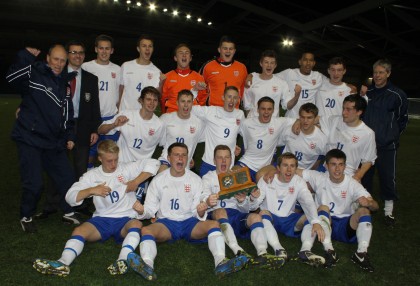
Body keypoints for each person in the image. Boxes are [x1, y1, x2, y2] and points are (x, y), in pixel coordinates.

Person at [32, 140, 160, 278]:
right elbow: (70, 197)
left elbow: (154, 163)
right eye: (109, 161)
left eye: (116, 160)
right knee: (79, 230)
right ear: (100, 158)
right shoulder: (92, 176)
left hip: (125, 219)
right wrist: (92, 190)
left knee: (137, 224)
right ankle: (62, 263)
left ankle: (122, 260)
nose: (113, 164)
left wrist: (135, 182)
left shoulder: (126, 168)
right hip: (102, 219)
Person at [127, 143, 249, 279]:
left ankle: (221, 263)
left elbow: (198, 210)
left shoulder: (195, 180)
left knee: (214, 225)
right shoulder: (158, 180)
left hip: (190, 222)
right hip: (167, 223)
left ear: (187, 158)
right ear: (168, 158)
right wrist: (142, 210)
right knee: (146, 230)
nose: (180, 158)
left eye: (184, 155)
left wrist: (202, 210)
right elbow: (150, 209)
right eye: (176, 155)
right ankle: (147, 266)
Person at [6, 45, 76, 233]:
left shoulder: (65, 83)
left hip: (52, 141)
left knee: (67, 178)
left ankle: (68, 212)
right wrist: (25, 57)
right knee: (34, 184)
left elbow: (67, 112)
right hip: (29, 137)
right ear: (48, 58)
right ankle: (26, 215)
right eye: (56, 59)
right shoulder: (35, 72)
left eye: (63, 60)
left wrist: (69, 135)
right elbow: (12, 78)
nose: (59, 64)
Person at [35, 40, 101, 222]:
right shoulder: (55, 74)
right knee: (55, 166)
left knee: (80, 169)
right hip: (58, 127)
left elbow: (95, 106)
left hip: (83, 128)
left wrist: (94, 129)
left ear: (84, 55)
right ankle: (51, 205)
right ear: (67, 55)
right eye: (73, 52)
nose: (77, 56)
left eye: (80, 52)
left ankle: (77, 205)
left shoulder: (90, 78)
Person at [202, 145, 285, 269]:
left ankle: (262, 253)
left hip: (235, 216)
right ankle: (238, 251)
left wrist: (244, 200)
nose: (223, 161)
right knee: (220, 211)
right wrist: (209, 200)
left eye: (227, 157)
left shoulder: (239, 177)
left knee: (256, 217)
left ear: (232, 159)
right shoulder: (208, 178)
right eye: (220, 158)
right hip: (216, 218)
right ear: (214, 161)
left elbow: (246, 209)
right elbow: (203, 200)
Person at [298, 149, 379, 272]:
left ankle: (361, 253)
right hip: (324, 223)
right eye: (333, 164)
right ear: (326, 165)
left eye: (341, 164)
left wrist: (369, 203)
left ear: (345, 166)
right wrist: (272, 172)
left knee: (364, 211)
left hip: (346, 226)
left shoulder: (352, 184)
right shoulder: (318, 177)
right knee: (323, 207)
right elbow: (292, 170)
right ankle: (330, 251)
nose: (337, 169)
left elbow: (376, 207)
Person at [249, 152, 326, 267]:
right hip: (270, 219)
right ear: (278, 168)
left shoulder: (298, 182)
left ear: (296, 168)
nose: (289, 169)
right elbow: (253, 207)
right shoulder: (267, 180)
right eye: (285, 165)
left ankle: (305, 251)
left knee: (310, 218)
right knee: (263, 213)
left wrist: (315, 222)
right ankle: (278, 249)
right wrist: (253, 198)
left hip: (289, 219)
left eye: (292, 166)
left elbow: (308, 201)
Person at [360, 59, 409, 227]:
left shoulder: (397, 94)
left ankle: (388, 212)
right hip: (366, 146)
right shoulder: (367, 92)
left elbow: (403, 119)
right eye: (375, 72)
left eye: (381, 72)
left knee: (387, 178)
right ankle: (364, 208)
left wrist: (392, 136)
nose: (377, 76)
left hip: (387, 146)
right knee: (365, 177)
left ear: (388, 73)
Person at [98, 86, 165, 202]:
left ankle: (143, 189)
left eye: (155, 100)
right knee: (112, 202)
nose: (152, 103)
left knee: (134, 207)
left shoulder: (159, 124)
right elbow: (100, 130)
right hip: (120, 166)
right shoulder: (126, 115)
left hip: (141, 171)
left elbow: (165, 145)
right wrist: (114, 125)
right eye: (148, 99)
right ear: (141, 100)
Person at [82, 34, 122, 169]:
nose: (104, 52)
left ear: (112, 50)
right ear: (96, 49)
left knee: (110, 157)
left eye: (107, 48)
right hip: (92, 119)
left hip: (110, 118)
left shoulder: (117, 69)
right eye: (101, 48)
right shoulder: (86, 67)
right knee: (89, 155)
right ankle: (89, 181)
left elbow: (120, 94)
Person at [318, 94, 376, 181]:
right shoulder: (335, 120)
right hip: (325, 169)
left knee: (364, 195)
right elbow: (315, 119)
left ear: (359, 112)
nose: (343, 113)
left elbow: (368, 160)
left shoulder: (367, 133)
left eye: (348, 109)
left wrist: (358, 176)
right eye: (343, 108)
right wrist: (298, 121)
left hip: (347, 175)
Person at [237, 96, 295, 182]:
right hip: (246, 162)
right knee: (235, 175)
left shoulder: (279, 122)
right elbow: (232, 131)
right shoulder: (247, 123)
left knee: (261, 178)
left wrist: (297, 123)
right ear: (258, 110)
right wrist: (234, 145)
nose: (266, 112)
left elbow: (300, 120)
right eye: (263, 109)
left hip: (265, 166)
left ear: (273, 110)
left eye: (269, 109)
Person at [191, 86, 245, 177]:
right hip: (209, 162)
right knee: (205, 190)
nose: (232, 100)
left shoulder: (240, 114)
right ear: (223, 97)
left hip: (227, 166)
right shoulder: (211, 111)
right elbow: (190, 107)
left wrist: (235, 145)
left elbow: (241, 132)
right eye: (229, 96)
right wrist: (194, 90)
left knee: (226, 191)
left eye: (235, 98)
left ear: (238, 100)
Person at [158, 89, 204, 172]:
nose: (186, 105)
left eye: (189, 101)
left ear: (192, 103)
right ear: (177, 103)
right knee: (162, 176)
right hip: (167, 161)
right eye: (183, 101)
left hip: (185, 164)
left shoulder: (199, 123)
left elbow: (213, 135)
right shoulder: (165, 119)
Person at [200, 35, 248, 107]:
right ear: (219, 49)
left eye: (231, 49)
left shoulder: (242, 68)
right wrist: (203, 106)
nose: (228, 51)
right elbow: (199, 87)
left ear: (234, 51)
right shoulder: (208, 66)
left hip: (234, 111)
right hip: (213, 111)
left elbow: (245, 89)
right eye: (225, 48)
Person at [119, 34, 163, 111]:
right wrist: (118, 108)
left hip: (144, 117)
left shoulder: (157, 72)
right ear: (138, 49)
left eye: (150, 46)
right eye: (144, 46)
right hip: (125, 115)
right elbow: (120, 90)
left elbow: (157, 97)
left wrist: (161, 83)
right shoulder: (126, 66)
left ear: (153, 49)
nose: (147, 49)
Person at [279, 103, 327, 170]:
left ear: (315, 118)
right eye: (302, 117)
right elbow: (276, 144)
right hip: (285, 168)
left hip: (304, 172)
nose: (305, 121)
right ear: (299, 117)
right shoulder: (290, 130)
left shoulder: (321, 138)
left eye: (309, 118)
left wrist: (311, 172)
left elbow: (325, 156)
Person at [243, 50, 291, 118]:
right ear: (261, 63)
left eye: (272, 63)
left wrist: (296, 96)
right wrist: (250, 121)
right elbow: (246, 106)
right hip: (254, 123)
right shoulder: (251, 80)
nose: (269, 65)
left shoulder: (282, 83)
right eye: (266, 62)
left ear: (275, 65)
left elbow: (287, 104)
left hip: (273, 124)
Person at [160, 43, 207, 113]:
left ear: (190, 58)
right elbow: (162, 99)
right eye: (181, 53)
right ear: (175, 58)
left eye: (186, 53)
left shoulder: (199, 78)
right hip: (173, 116)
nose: (184, 55)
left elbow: (202, 101)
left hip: (192, 116)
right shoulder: (167, 77)